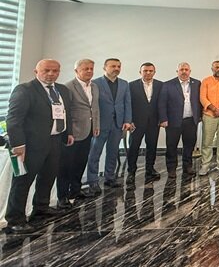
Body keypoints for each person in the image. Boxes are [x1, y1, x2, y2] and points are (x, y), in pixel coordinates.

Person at [5, 59, 74, 233]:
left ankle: (41, 208)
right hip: (30, 144)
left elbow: (66, 114)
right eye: (46, 70)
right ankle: (15, 220)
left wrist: (68, 132)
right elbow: (13, 120)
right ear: (36, 72)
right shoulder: (25, 90)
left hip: (55, 140)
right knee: (23, 182)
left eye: (55, 71)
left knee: (48, 177)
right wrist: (18, 144)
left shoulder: (62, 90)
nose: (51, 74)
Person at [58, 58, 100, 209]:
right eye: (85, 69)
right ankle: (62, 196)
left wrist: (96, 126)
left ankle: (75, 190)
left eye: (91, 69)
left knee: (80, 162)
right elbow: (65, 112)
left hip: (88, 131)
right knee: (66, 165)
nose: (89, 71)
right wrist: (68, 132)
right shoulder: (68, 87)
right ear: (76, 71)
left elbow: (95, 108)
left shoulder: (94, 86)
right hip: (73, 132)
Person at [86, 58, 132, 193]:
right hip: (100, 124)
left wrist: (127, 120)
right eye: (113, 66)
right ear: (104, 68)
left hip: (118, 124)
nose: (116, 69)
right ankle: (93, 181)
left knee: (113, 152)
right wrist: (93, 123)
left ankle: (110, 177)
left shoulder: (124, 84)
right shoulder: (95, 83)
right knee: (95, 153)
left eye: (118, 66)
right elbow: (92, 104)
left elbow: (127, 103)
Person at [158, 62, 201, 178]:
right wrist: (163, 119)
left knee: (189, 145)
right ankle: (171, 168)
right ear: (177, 71)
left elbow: (199, 101)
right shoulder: (168, 85)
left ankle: (188, 166)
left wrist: (199, 116)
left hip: (190, 120)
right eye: (181, 69)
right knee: (171, 145)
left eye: (186, 69)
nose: (184, 72)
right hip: (173, 121)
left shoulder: (197, 83)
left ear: (190, 71)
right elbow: (162, 103)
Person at [127, 62, 162, 186]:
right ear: (140, 72)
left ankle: (150, 169)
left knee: (152, 146)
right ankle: (131, 172)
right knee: (133, 147)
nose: (148, 73)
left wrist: (162, 118)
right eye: (145, 71)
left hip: (154, 122)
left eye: (150, 71)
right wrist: (129, 120)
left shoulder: (160, 85)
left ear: (154, 72)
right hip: (136, 123)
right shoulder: (131, 85)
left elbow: (162, 103)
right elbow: (128, 104)